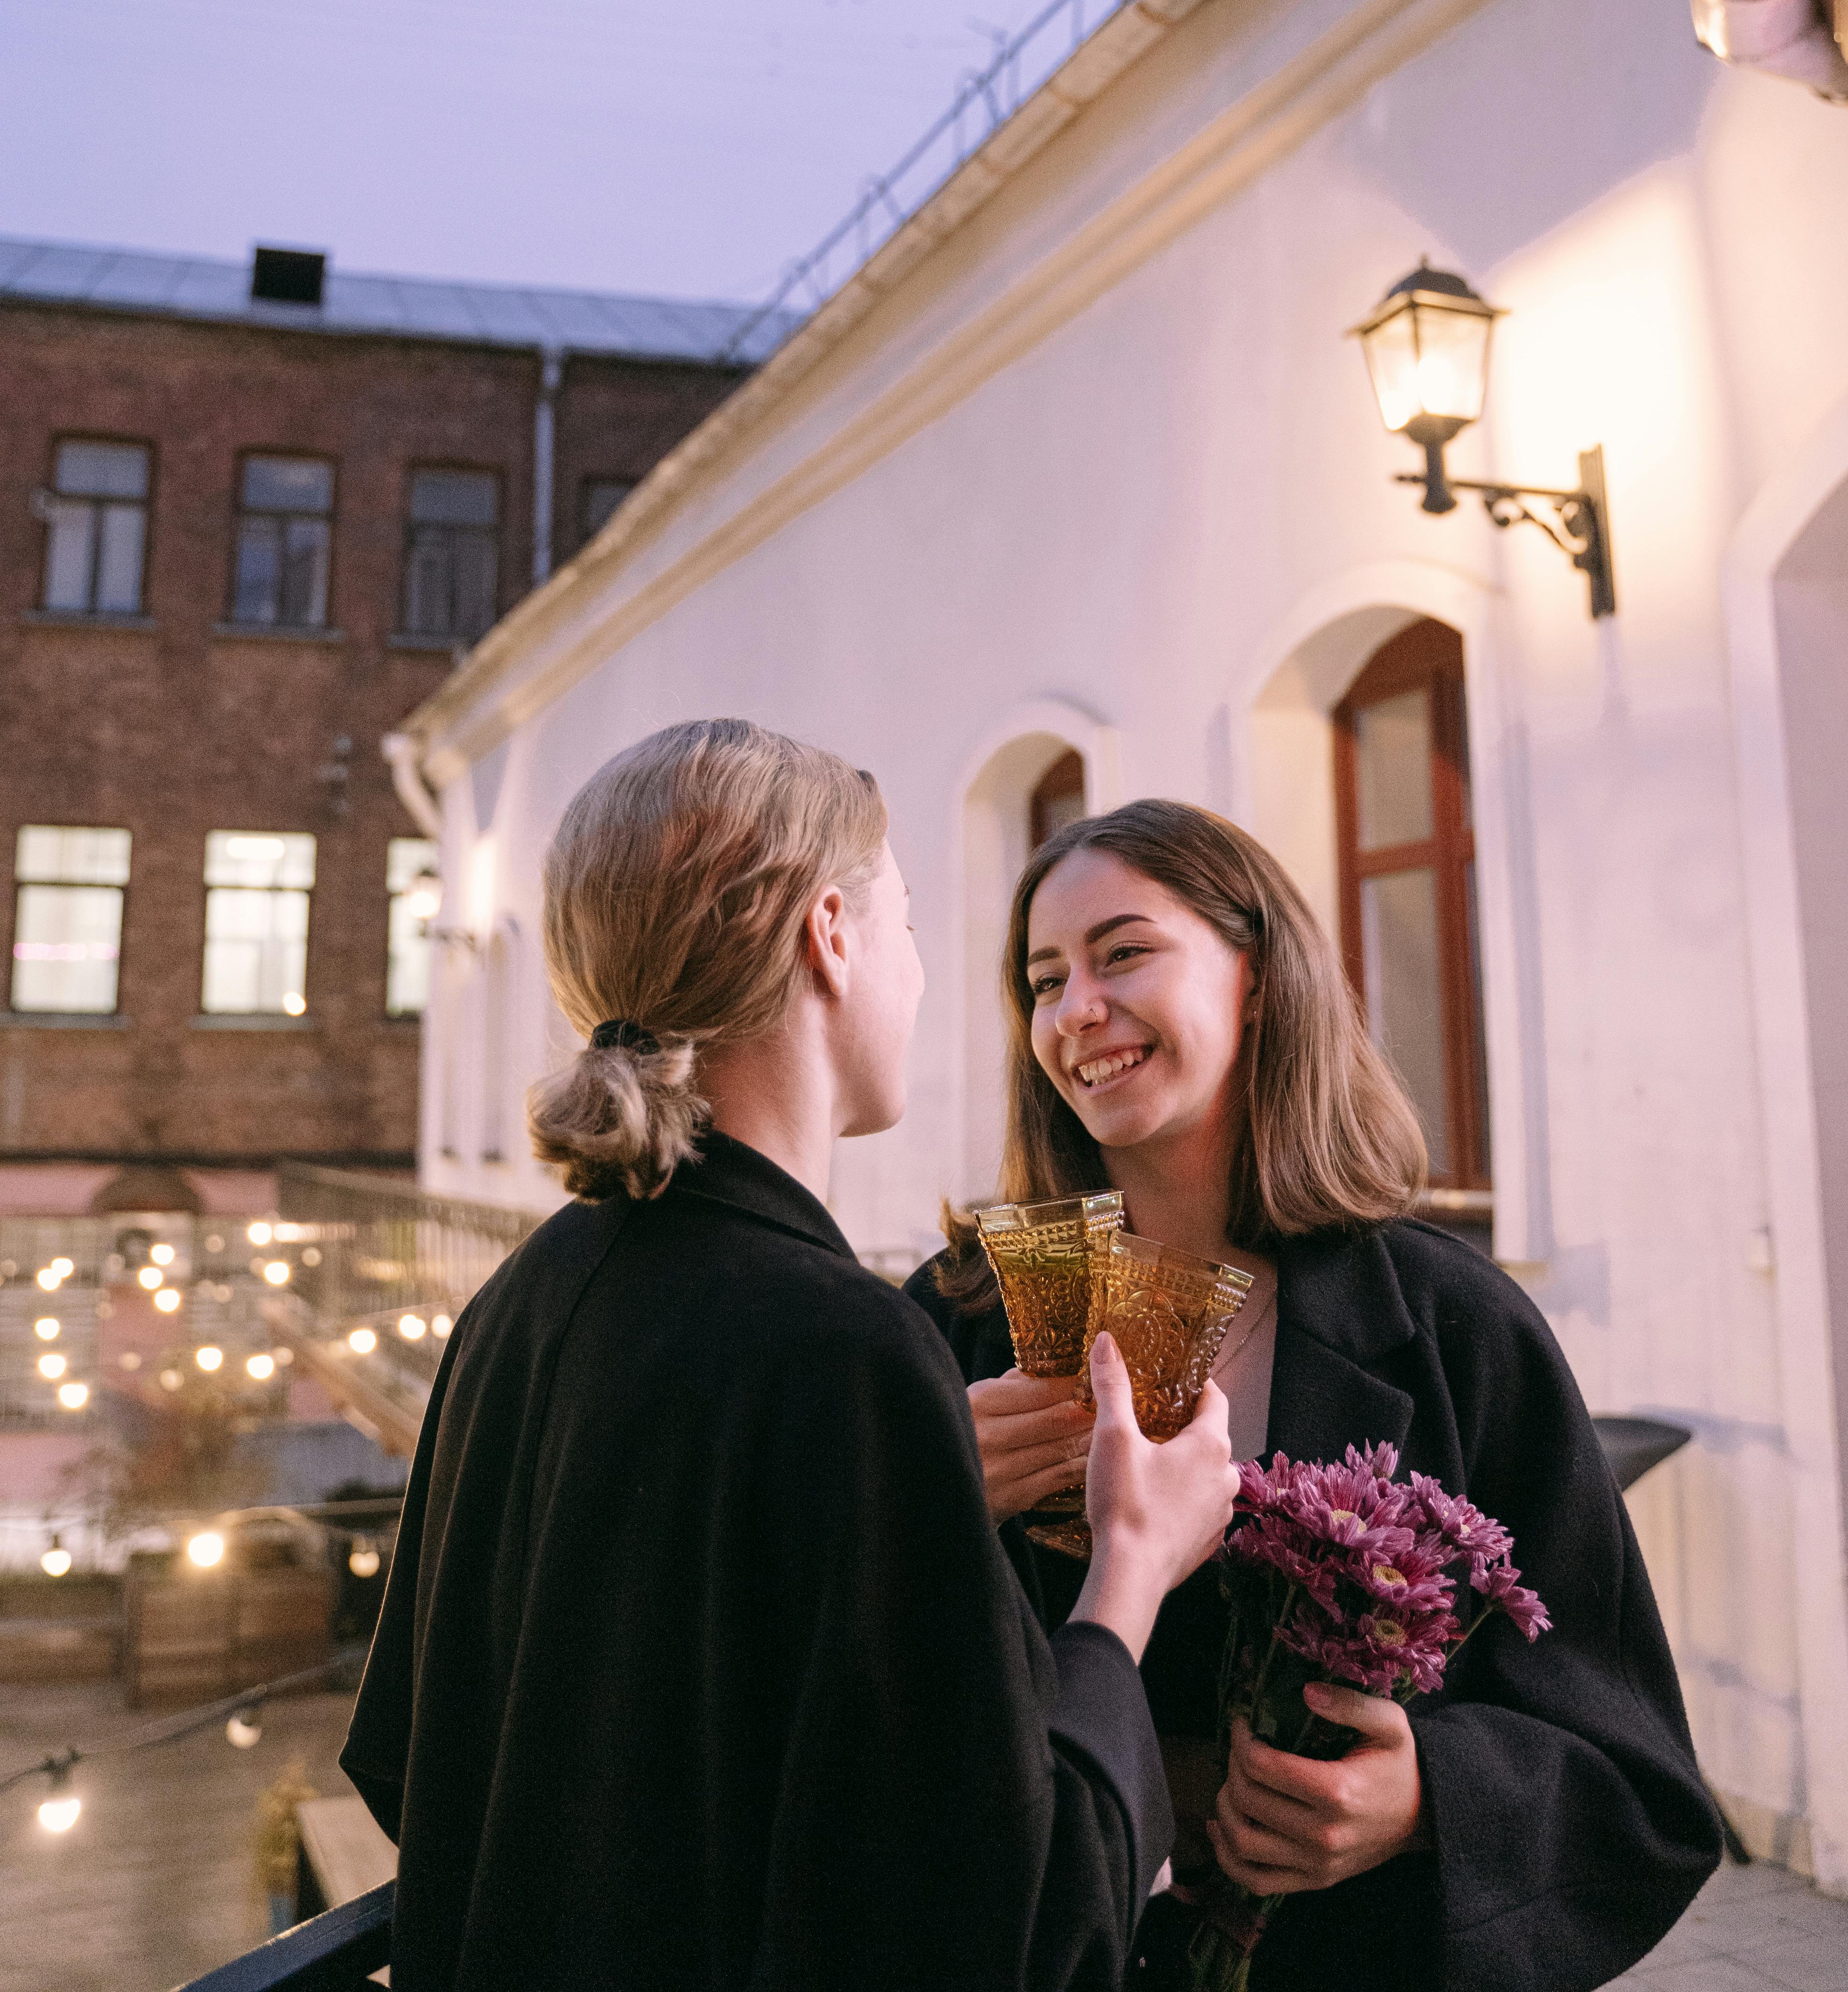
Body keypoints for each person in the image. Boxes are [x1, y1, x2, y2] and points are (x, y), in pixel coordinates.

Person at [342, 721, 1237, 1992]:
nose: (925, 978)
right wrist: (1134, 1571)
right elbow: (1021, 1931)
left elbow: (418, 1764)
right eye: (911, 924)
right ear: (830, 934)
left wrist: (905, 1513)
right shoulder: (846, 1349)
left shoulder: (523, 1299)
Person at [906, 798, 1723, 1990]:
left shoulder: (1457, 1328)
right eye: (1042, 979)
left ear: (1256, 976)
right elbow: (813, 1705)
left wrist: (1426, 1799)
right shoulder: (957, 1321)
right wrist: (926, 1509)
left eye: (1123, 952)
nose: (1075, 1009)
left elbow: (1641, 1786)